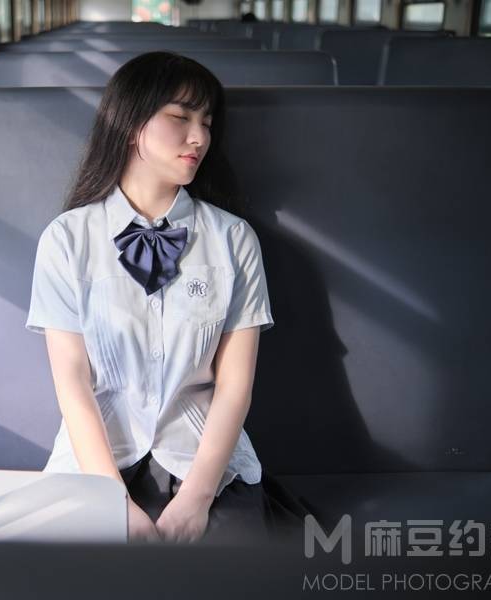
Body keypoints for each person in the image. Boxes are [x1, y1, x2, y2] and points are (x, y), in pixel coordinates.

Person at [25, 52, 307, 544]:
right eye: (180, 117)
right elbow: (72, 382)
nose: (199, 137)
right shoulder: (66, 239)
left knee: (232, 564)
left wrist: (196, 498)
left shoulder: (233, 239)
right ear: (131, 124)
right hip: (96, 461)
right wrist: (112, 501)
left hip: (202, 460)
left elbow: (235, 385)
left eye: (207, 123)